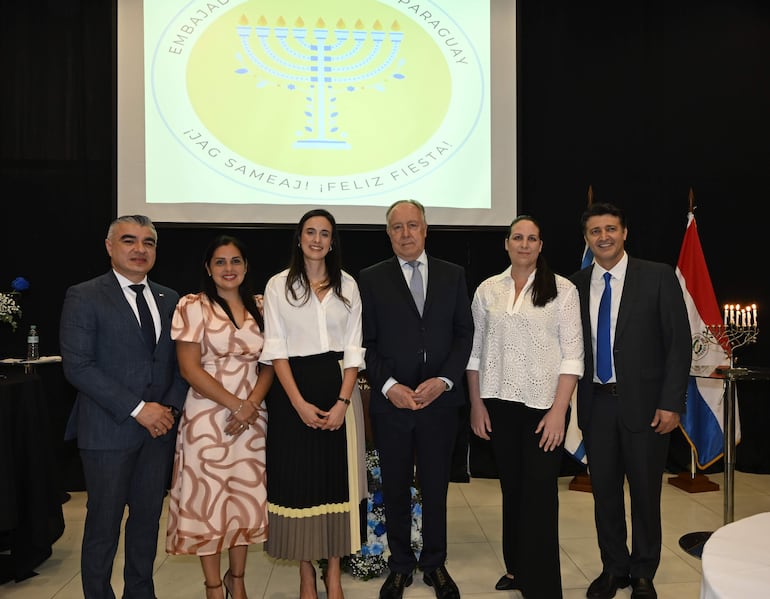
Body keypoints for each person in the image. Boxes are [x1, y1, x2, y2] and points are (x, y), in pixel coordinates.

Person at [59, 214, 188, 599]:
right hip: (107, 432)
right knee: (104, 525)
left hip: (158, 432)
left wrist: (168, 410)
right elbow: (78, 366)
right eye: (129, 240)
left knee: (147, 522)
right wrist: (138, 408)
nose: (139, 249)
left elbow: (181, 364)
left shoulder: (170, 298)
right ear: (109, 246)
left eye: (148, 242)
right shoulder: (84, 295)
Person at [569, 203, 691, 599]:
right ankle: (613, 568)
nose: (603, 236)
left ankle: (643, 572)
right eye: (594, 231)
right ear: (586, 238)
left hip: (647, 407)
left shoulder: (657, 277)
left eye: (610, 229)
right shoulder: (574, 283)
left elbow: (678, 345)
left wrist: (671, 403)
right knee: (603, 492)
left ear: (625, 232)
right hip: (596, 405)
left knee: (644, 494)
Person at [358, 199, 474, 599]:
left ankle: (435, 563)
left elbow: (464, 334)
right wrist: (390, 386)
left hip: (438, 403)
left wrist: (444, 380)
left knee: (437, 486)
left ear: (426, 229)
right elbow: (365, 343)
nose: (405, 234)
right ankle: (400, 565)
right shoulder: (370, 279)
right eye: (397, 227)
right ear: (388, 233)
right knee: (394, 487)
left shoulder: (453, 275)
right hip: (392, 404)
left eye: (412, 225)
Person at [466, 215, 583, 599]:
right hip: (499, 405)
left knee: (540, 494)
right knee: (512, 490)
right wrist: (476, 405)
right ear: (506, 243)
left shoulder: (562, 290)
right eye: (518, 237)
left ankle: (543, 585)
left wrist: (558, 412)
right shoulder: (488, 290)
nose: (525, 244)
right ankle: (517, 569)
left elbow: (573, 357)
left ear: (541, 245)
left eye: (533, 238)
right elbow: (474, 354)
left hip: (543, 409)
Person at [260, 209, 366, 599]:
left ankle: (332, 575)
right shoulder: (277, 286)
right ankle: (306, 574)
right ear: (299, 238)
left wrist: (342, 402)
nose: (317, 239)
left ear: (332, 241)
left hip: (340, 390)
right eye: (310, 232)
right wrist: (298, 404)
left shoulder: (349, 286)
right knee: (299, 484)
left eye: (325, 233)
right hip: (293, 395)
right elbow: (276, 351)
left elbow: (355, 350)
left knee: (335, 482)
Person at [165, 235, 274, 599]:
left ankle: (237, 580)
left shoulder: (261, 305)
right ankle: (213, 586)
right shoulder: (192, 306)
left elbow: (271, 363)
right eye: (221, 262)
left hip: (252, 420)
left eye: (236, 261)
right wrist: (235, 404)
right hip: (207, 419)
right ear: (208, 268)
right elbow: (188, 368)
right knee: (208, 503)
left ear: (245, 266)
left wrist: (251, 405)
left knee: (243, 501)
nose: (229, 269)